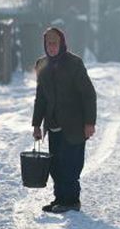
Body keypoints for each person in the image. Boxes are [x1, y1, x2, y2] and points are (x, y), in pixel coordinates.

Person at [32, 27, 97, 213]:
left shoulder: (74, 64)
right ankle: (59, 199)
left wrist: (89, 123)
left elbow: (88, 95)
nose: (51, 47)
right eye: (48, 44)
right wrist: (36, 124)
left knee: (71, 164)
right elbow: (41, 98)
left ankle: (71, 201)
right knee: (56, 165)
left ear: (61, 44)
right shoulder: (42, 65)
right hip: (53, 125)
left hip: (74, 125)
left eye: (54, 44)